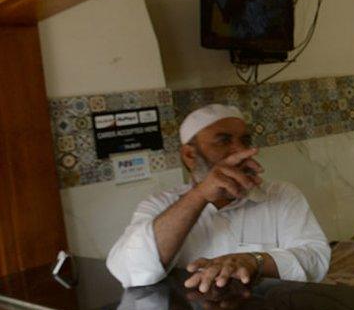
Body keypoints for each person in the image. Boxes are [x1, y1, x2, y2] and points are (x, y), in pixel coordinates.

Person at [107, 104, 331, 291]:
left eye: (245, 140)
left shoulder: (281, 195)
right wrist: (200, 195)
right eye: (224, 141)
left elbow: (316, 260)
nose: (240, 150)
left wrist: (255, 261)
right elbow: (127, 270)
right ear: (190, 155)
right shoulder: (160, 205)